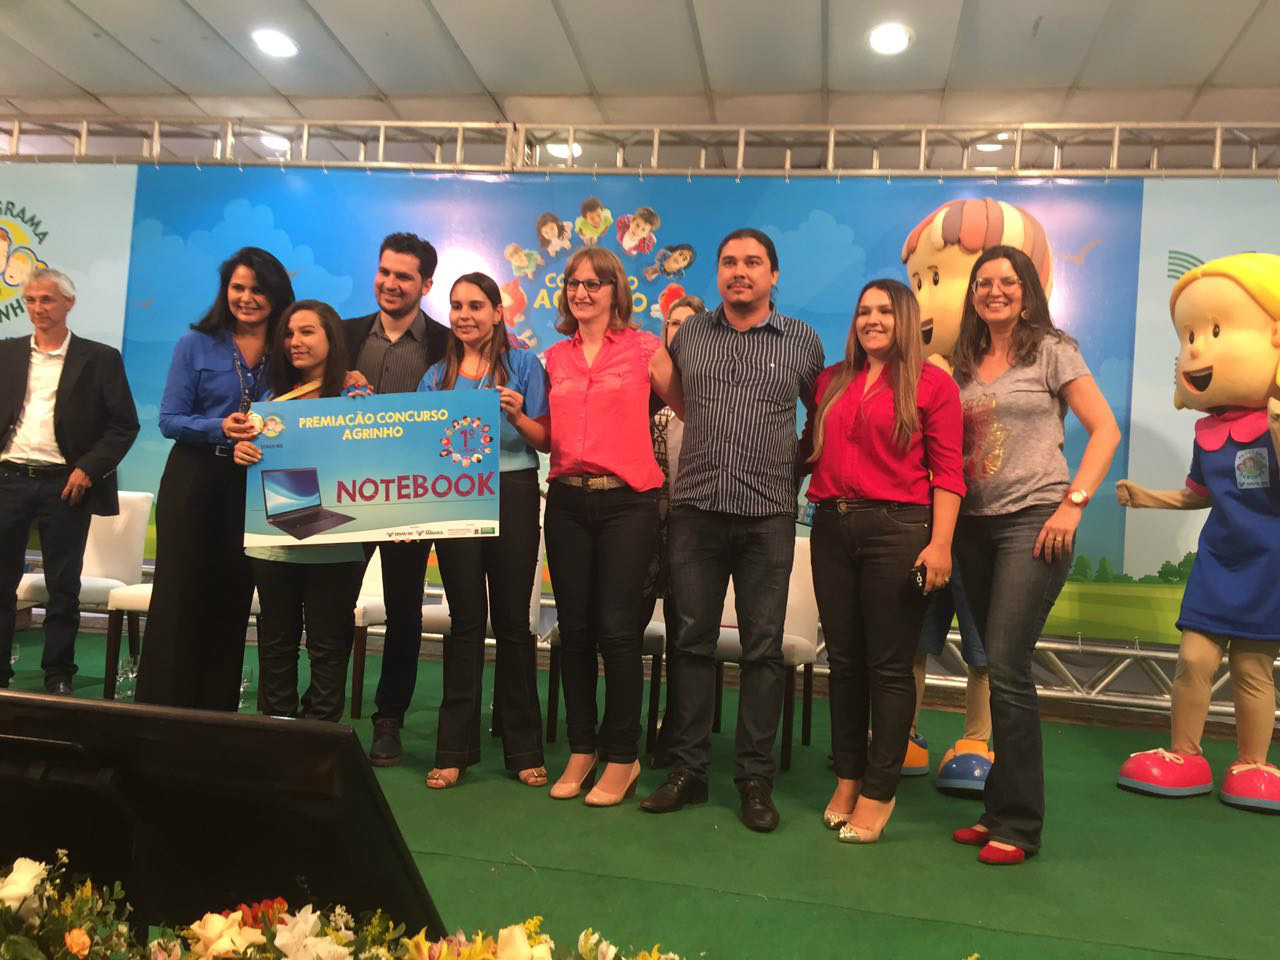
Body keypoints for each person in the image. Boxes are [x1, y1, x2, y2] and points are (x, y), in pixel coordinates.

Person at [641, 228, 825, 833]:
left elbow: (822, 418)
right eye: (728, 263)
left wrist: (791, 468)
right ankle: (690, 773)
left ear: (773, 275)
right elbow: (679, 403)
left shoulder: (801, 341)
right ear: (716, 274)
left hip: (768, 516)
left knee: (762, 651)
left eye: (752, 263)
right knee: (689, 644)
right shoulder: (691, 336)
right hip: (696, 512)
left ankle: (753, 779)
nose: (738, 271)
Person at [948, 245, 1120, 864]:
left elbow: (1105, 429)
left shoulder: (1052, 349)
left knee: (1010, 666)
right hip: (971, 527)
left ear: (1027, 290)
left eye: (1007, 281)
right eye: (984, 282)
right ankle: (997, 808)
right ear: (971, 294)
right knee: (996, 662)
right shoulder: (961, 360)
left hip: (1034, 522)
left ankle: (1019, 825)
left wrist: (1073, 504)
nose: (995, 290)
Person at [1115, 253, 1280, 812]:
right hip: (1219, 558)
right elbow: (1199, 494)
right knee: (1194, 659)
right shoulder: (1208, 431)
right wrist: (1147, 497)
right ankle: (1185, 753)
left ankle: (1254, 764)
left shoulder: (1274, 423)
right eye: (1190, 335)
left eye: (1214, 330)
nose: (1197, 349)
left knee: (1253, 668)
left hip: (1268, 561)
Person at [801, 279, 964, 843]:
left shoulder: (933, 385)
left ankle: (879, 790)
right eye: (864, 310)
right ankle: (847, 778)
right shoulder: (830, 380)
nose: (872, 319)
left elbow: (949, 473)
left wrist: (940, 543)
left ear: (906, 319)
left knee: (889, 668)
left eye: (884, 312)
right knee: (843, 663)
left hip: (898, 529)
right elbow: (805, 450)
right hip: (830, 525)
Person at [543, 247, 682, 807]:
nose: (583, 292)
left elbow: (689, 408)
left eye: (594, 284)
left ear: (614, 290)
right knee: (574, 632)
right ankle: (583, 747)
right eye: (574, 283)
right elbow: (537, 428)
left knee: (618, 633)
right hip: (567, 503)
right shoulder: (552, 357)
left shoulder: (646, 347)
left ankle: (622, 756)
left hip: (630, 504)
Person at [136, 248, 294, 709]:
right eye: (237, 287)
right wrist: (216, 427)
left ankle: (216, 712)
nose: (245, 298)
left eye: (257, 290)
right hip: (195, 480)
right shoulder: (196, 342)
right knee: (179, 597)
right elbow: (169, 419)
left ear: (276, 295)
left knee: (233, 597)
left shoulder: (288, 348)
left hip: (254, 485)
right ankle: (162, 709)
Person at [417, 272, 550, 789]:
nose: (464, 314)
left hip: (514, 493)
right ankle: (453, 751)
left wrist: (518, 414)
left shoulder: (523, 366)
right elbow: (422, 446)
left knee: (515, 622)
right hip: (456, 499)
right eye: (456, 306)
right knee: (466, 621)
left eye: (476, 305)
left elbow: (545, 441)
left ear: (499, 311)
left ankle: (524, 749)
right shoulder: (436, 376)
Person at [0, 268, 139, 692]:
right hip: (8, 479)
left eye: (47, 299)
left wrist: (88, 469)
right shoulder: (5, 353)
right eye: (31, 300)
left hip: (66, 484)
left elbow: (123, 425)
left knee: (64, 587)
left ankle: (58, 673)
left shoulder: (99, 358)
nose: (38, 308)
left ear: (69, 303)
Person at [342, 232, 450, 764]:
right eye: (385, 271)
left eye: (404, 276)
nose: (390, 283)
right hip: (343, 494)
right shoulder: (340, 337)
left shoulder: (447, 344)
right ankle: (322, 712)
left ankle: (390, 719)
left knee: (405, 610)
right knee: (331, 602)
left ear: (426, 284)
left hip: (413, 497)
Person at [231, 301, 367, 721]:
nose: (295, 342)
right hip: (275, 545)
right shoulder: (271, 401)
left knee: (328, 646)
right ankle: (277, 731)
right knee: (276, 643)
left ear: (332, 338)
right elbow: (263, 464)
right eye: (289, 334)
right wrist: (243, 451)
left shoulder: (357, 397)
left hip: (336, 546)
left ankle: (322, 736)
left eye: (307, 332)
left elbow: (373, 462)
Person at [640, 293, 704, 767]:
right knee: (628, 623)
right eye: (671, 323)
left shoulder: (708, 390)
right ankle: (623, 728)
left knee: (686, 632)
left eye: (687, 323)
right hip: (643, 525)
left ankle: (677, 730)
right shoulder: (646, 388)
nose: (677, 330)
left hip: (693, 525)